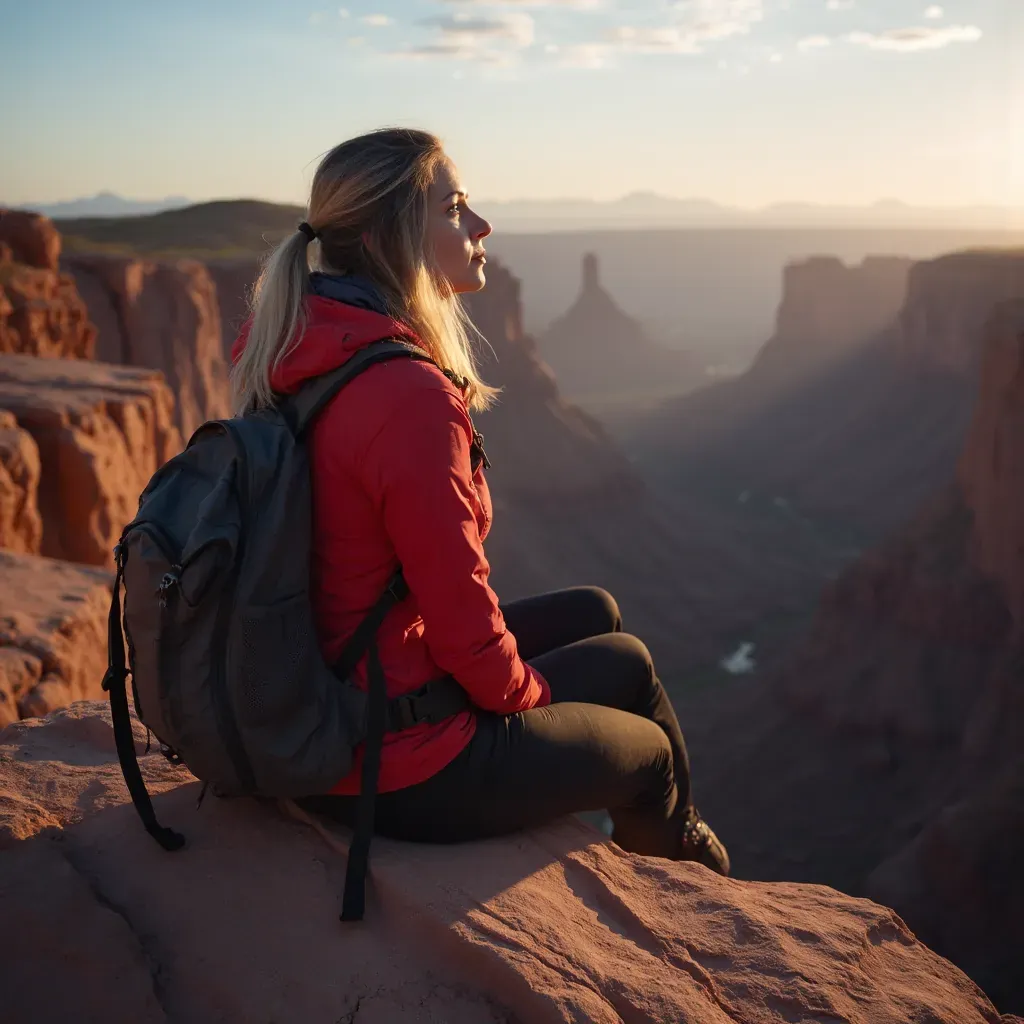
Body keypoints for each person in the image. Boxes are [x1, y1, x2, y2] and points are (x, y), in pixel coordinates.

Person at [229, 127, 729, 875]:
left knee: (596, 612)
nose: (482, 226)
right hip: (396, 763)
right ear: (394, 233)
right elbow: (460, 613)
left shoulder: (302, 348)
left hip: (329, 703)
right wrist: (533, 706)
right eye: (455, 208)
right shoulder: (405, 395)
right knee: (645, 732)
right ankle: (694, 892)